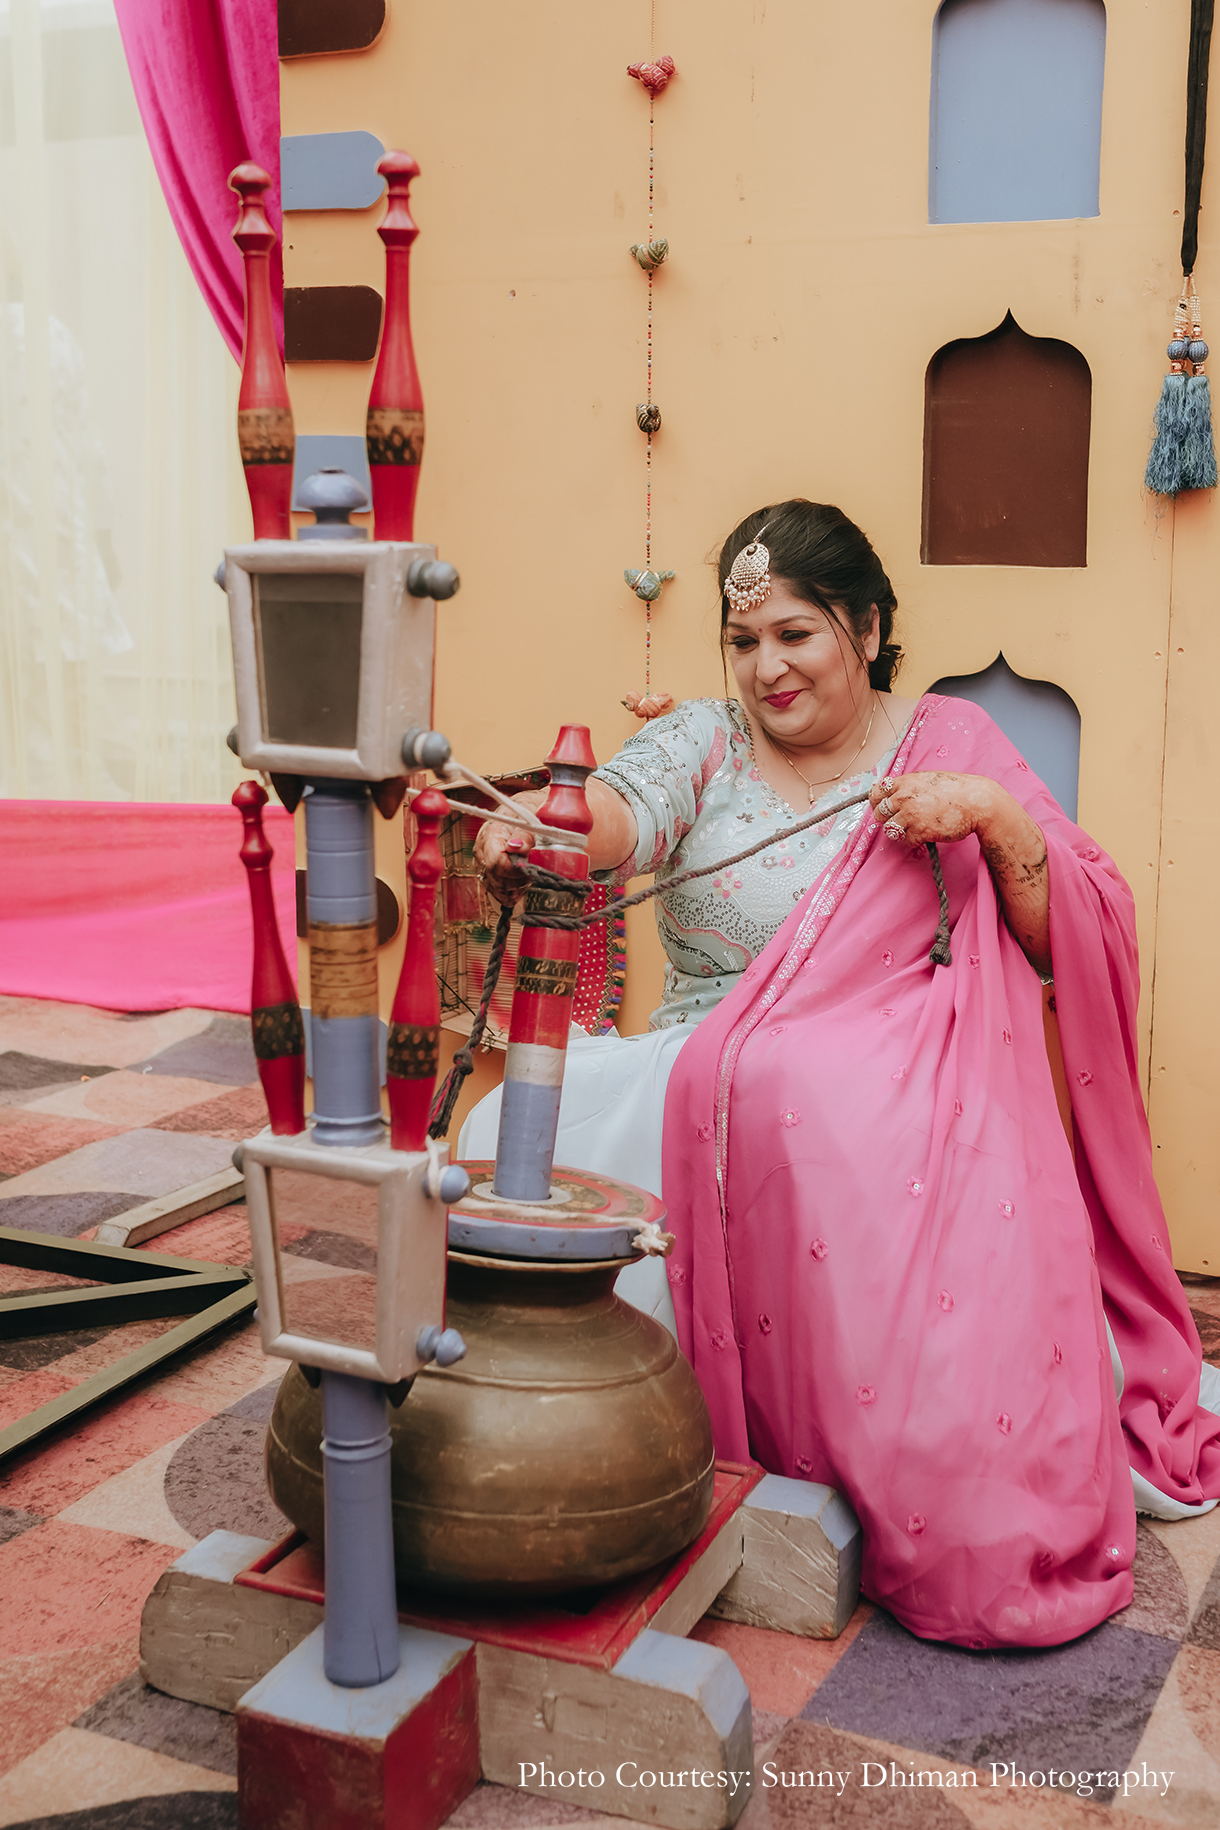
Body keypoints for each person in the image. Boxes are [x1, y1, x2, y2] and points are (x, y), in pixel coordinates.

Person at [466, 499, 1220, 1649]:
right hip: (700, 1058)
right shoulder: (701, 742)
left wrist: (988, 819)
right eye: (743, 640)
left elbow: (1062, 932)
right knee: (497, 1141)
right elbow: (614, 813)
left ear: (864, 628)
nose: (765, 667)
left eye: (794, 634)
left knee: (812, 1104)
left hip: (897, 1079)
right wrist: (542, 823)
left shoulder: (949, 743)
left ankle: (895, 1464)